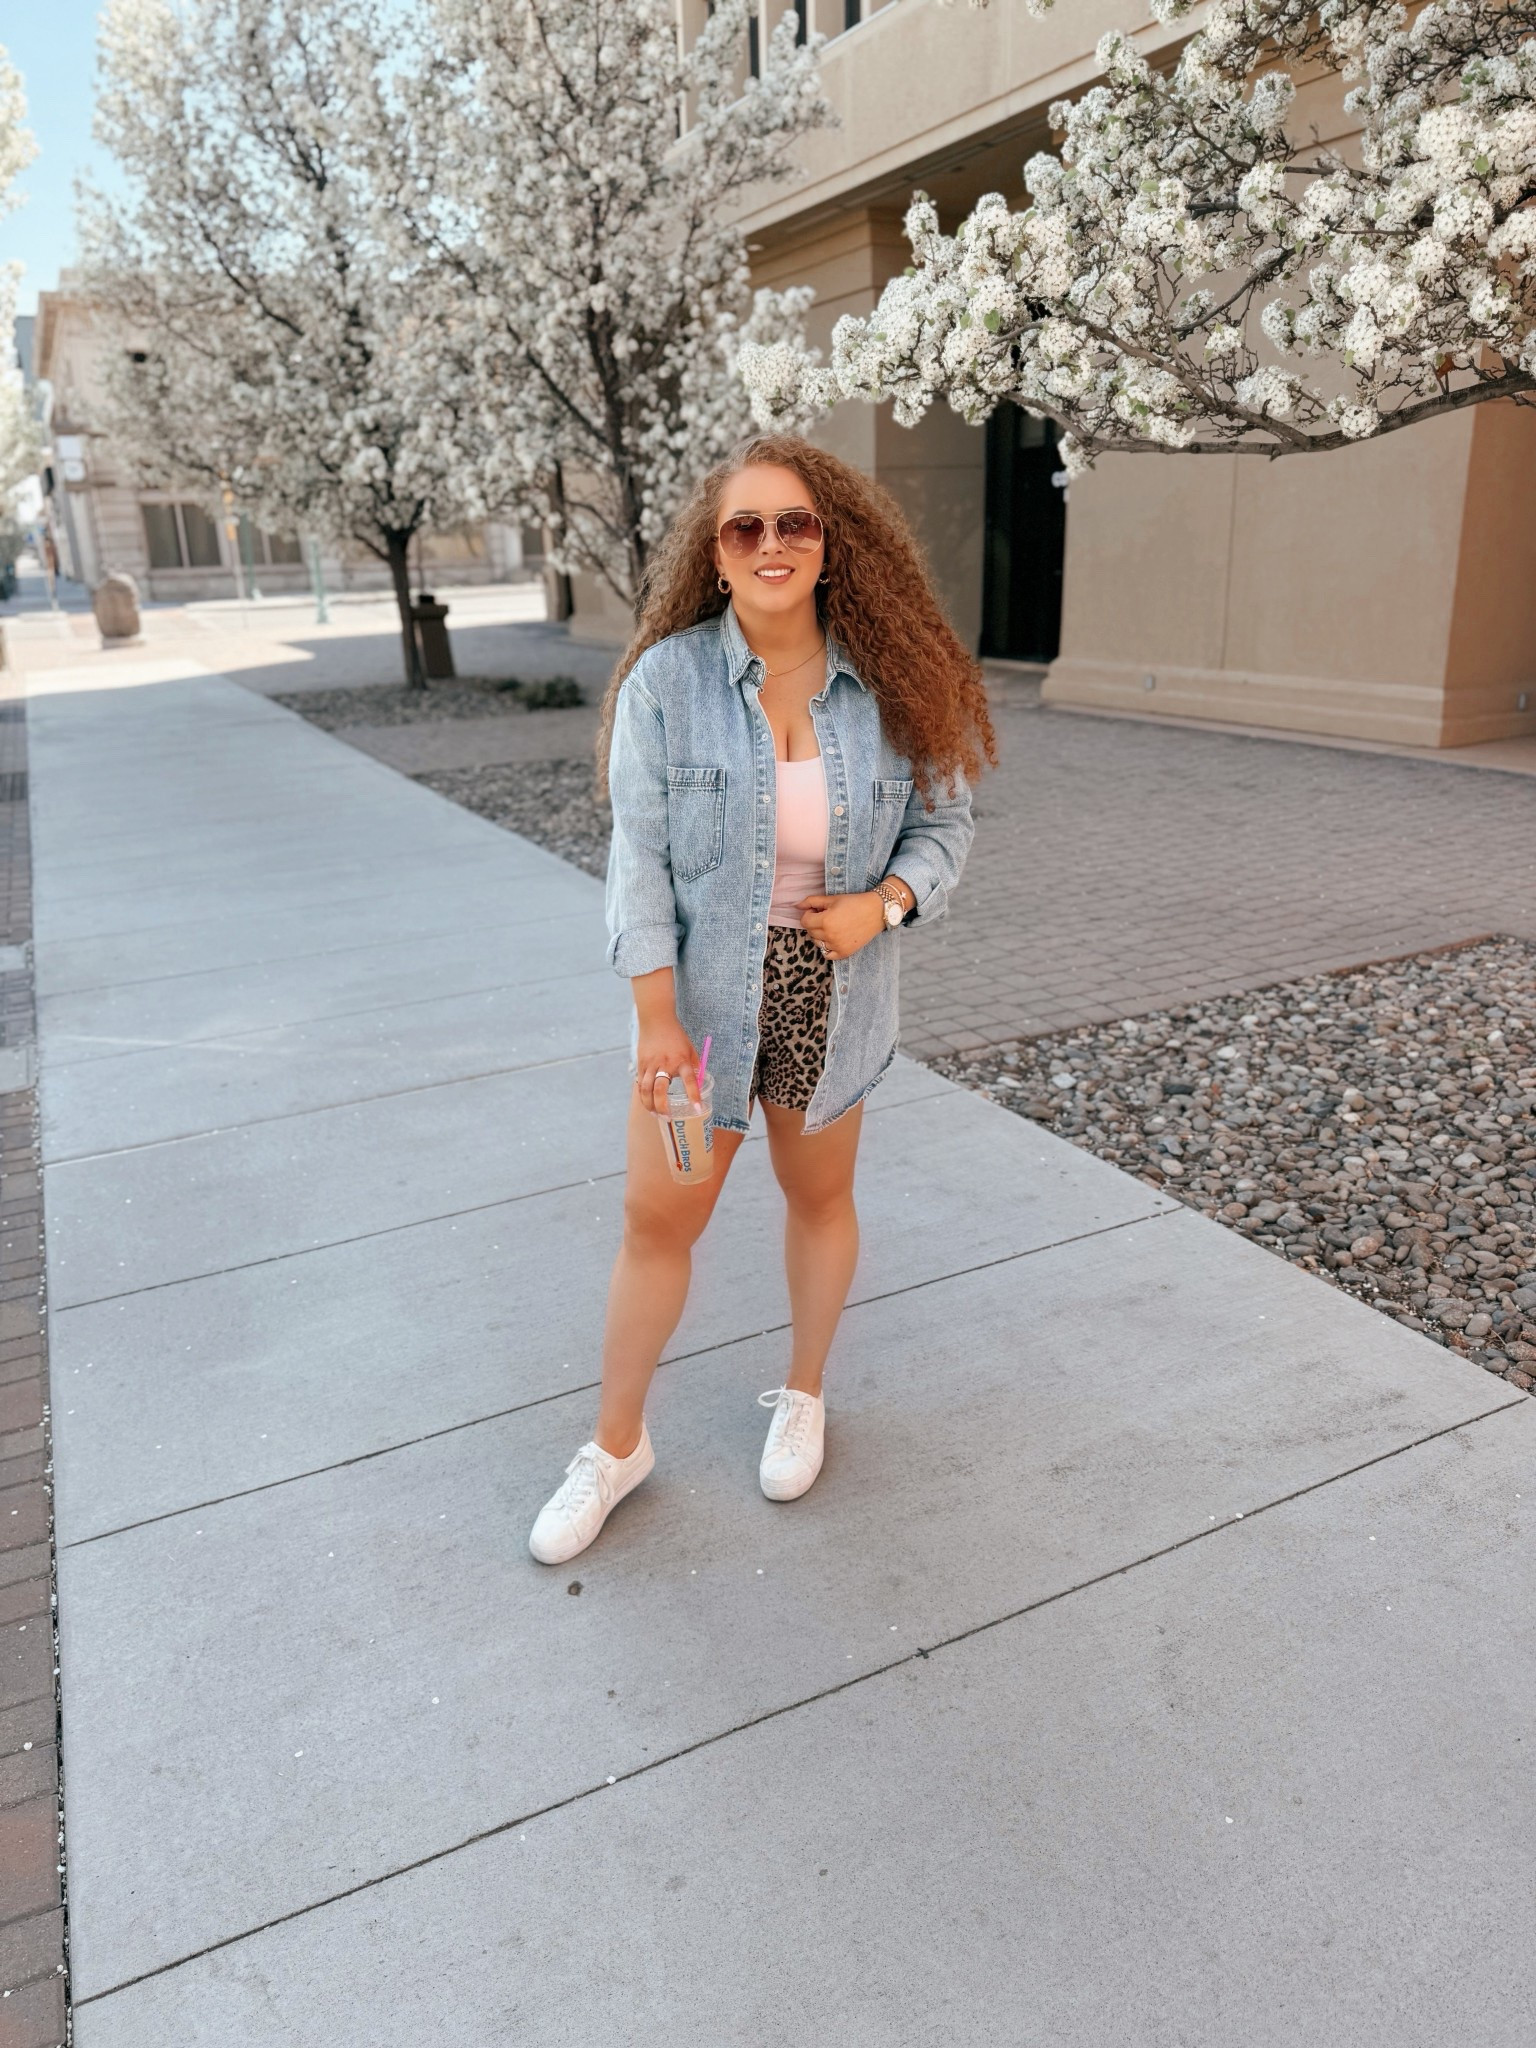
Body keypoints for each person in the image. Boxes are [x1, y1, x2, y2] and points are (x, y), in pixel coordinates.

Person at [529, 432, 996, 1564]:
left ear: (832, 546)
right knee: (660, 1219)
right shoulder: (667, 683)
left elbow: (947, 827)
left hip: (833, 995)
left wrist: (882, 902)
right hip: (698, 1008)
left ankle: (804, 1391)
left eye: (797, 522)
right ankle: (616, 1445)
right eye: (748, 526)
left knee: (817, 1196)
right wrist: (654, 1019)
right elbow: (637, 858)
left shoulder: (894, 683)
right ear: (719, 553)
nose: (773, 543)